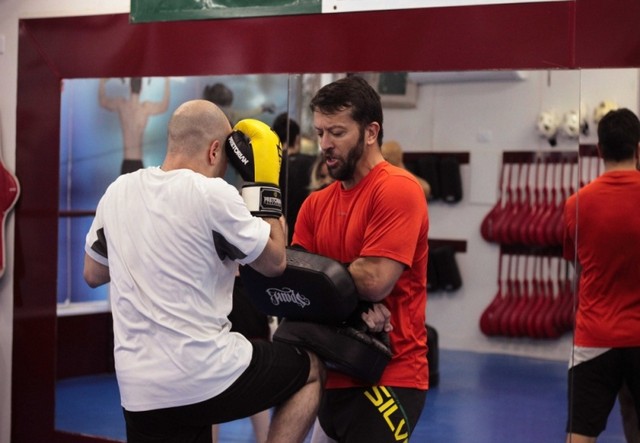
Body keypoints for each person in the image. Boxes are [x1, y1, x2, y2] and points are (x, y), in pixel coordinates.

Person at [83, 99, 324, 443]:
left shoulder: (118, 191)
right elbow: (274, 262)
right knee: (312, 370)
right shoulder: (213, 193)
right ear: (214, 151)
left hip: (139, 390)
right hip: (204, 374)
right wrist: (265, 185)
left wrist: (142, 249)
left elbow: (92, 273)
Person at [292, 75, 429, 443]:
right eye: (320, 132)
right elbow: (292, 287)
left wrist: (321, 283)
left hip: (389, 375)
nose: (325, 145)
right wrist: (351, 306)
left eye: (336, 132)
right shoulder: (315, 204)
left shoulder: (397, 189)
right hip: (327, 373)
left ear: (371, 132)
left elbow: (375, 281)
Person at [562, 108, 640, 443]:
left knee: (579, 434)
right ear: (639, 148)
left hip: (595, 337)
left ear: (600, 150)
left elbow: (576, 270)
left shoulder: (576, 204)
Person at [98, 77, 171, 174]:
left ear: (129, 87)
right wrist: (167, 81)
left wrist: (102, 82)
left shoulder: (122, 105)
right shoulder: (145, 108)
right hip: (138, 163)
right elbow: (164, 106)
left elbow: (103, 101)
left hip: (127, 163)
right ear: (141, 88)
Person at [272, 113, 316, 244]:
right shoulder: (312, 164)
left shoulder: (269, 164)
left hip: (274, 235)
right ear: (297, 139)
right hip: (304, 236)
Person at [202, 82, 275, 126]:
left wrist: (262, 108)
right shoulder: (227, 113)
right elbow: (245, 114)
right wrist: (262, 108)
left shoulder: (205, 112)